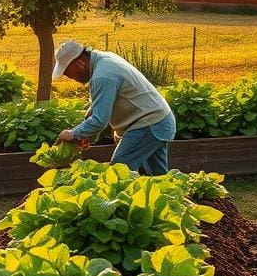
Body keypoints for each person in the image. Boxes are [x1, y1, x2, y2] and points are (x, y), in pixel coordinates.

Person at [53, 39, 175, 175]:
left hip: (148, 124)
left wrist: (72, 134)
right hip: (159, 120)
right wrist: (86, 135)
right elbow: (98, 107)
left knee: (117, 173)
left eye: (68, 72)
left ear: (79, 63)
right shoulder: (104, 59)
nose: (69, 77)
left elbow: (100, 120)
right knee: (157, 179)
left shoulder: (102, 76)